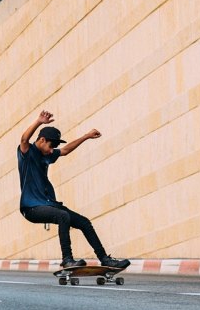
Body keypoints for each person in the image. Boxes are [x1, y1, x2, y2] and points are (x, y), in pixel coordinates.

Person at [17, 110, 130, 269]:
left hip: (48, 204)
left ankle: (105, 259)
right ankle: (67, 259)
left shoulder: (47, 154)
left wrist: (86, 136)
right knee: (63, 216)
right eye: (51, 146)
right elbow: (24, 138)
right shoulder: (27, 152)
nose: (52, 150)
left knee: (84, 222)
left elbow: (65, 150)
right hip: (31, 207)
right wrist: (39, 121)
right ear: (42, 140)